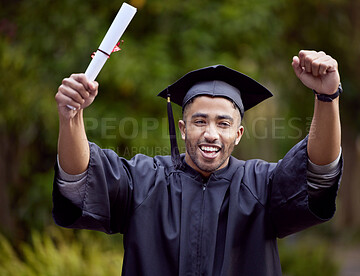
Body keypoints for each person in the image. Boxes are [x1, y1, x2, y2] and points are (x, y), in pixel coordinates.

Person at [53, 50, 343, 276]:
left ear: (238, 134)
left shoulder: (261, 185)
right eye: (200, 121)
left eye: (223, 123)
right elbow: (81, 176)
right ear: (182, 128)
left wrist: (327, 96)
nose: (211, 134)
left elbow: (316, 169)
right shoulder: (144, 181)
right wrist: (70, 117)